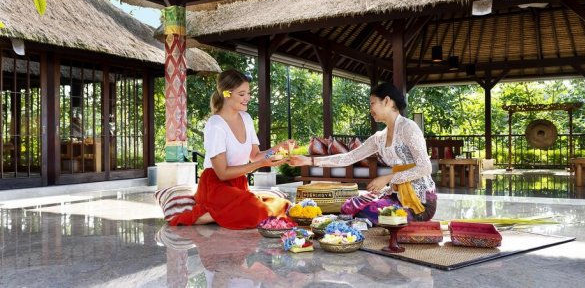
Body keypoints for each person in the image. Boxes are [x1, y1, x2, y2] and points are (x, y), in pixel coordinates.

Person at [289, 82, 437, 224]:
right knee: (350, 206)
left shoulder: (409, 128)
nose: (370, 109)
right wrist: (308, 161)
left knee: (367, 211)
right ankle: (381, 223)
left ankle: (393, 222)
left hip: (420, 201)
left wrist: (387, 178)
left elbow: (425, 167)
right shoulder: (379, 137)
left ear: (387, 101)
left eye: (372, 103)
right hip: (396, 195)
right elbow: (349, 157)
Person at [169, 69, 292, 229]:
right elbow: (223, 173)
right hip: (215, 185)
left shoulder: (246, 119)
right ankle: (207, 213)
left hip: (238, 184)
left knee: (284, 206)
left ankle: (222, 212)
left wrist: (277, 148)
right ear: (227, 94)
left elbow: (255, 156)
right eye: (242, 94)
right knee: (258, 212)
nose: (247, 98)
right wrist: (262, 164)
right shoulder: (216, 125)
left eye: (248, 93)